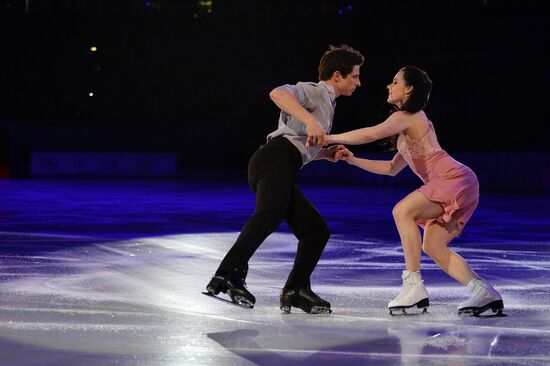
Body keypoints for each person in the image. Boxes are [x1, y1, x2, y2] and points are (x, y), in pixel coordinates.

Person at [320, 66, 504, 316]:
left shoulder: (409, 115)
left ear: (409, 89)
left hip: (452, 178)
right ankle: (484, 292)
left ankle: (413, 285)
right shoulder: (409, 126)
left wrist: (327, 138)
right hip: (461, 182)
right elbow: (390, 169)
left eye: (395, 82)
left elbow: (371, 133)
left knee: (402, 211)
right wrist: (352, 160)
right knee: (433, 245)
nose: (389, 86)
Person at [205, 45, 364, 314]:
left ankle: (296, 289)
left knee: (316, 231)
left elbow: (300, 143)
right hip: (274, 159)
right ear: (337, 75)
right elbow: (277, 93)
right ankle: (227, 274)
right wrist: (309, 121)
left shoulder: (329, 104)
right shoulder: (315, 90)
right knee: (269, 214)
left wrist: (326, 154)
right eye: (355, 76)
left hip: (284, 163)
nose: (358, 83)